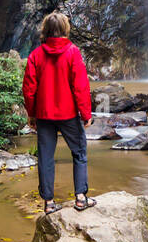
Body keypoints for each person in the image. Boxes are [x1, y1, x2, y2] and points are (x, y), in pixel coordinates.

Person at [22, 11, 96, 214]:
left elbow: (29, 89)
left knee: (45, 157)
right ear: (65, 29)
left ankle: (48, 203)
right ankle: (80, 198)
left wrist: (32, 113)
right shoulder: (73, 52)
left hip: (44, 115)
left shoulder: (36, 55)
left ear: (45, 31)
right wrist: (85, 113)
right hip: (69, 114)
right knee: (79, 152)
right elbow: (80, 86)